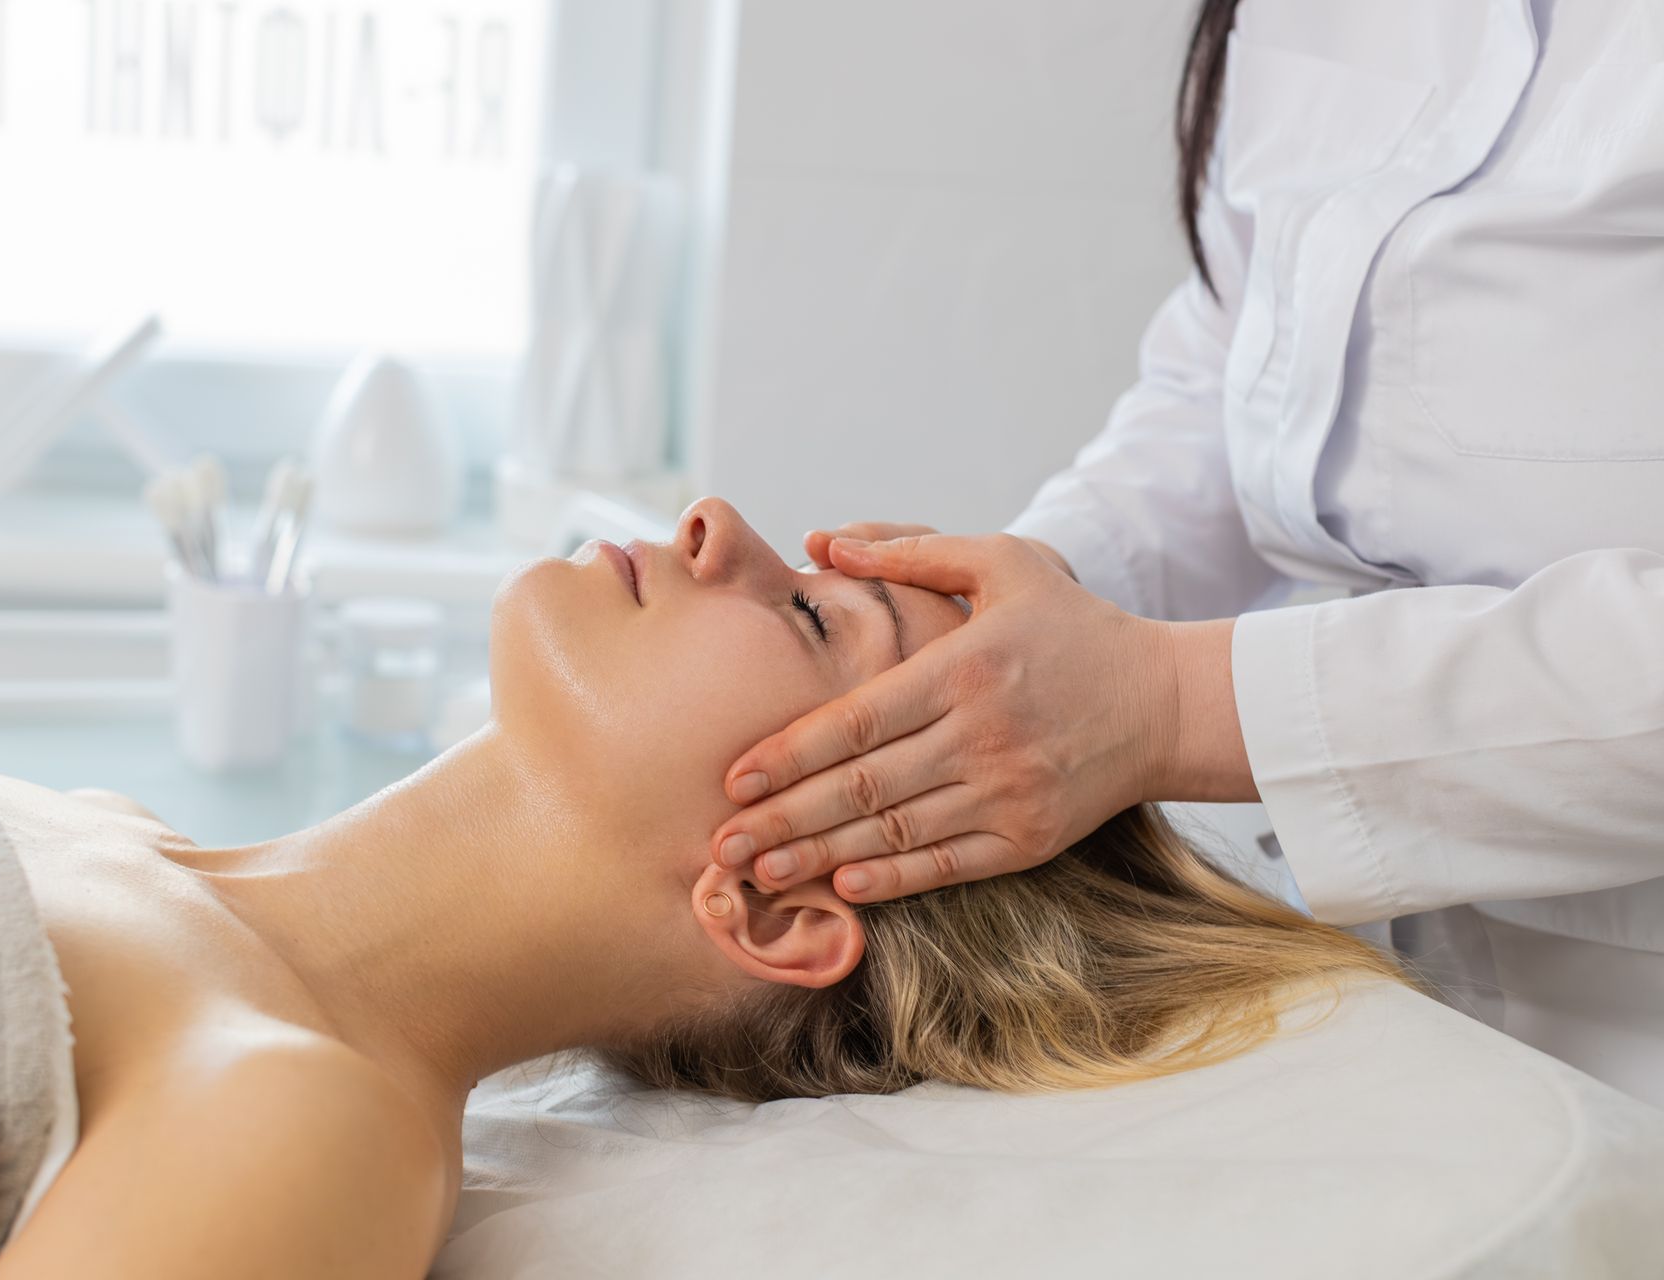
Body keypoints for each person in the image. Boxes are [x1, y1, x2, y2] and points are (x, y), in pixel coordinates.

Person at [0, 499, 1404, 1280]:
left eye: (816, 621)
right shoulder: (104, 827)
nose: (722, 523)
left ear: (775, 907)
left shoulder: (293, 1123)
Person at [707, 0, 1664, 1108]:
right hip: (1361, 977)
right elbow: (1238, 367)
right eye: (814, 612)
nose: (711, 526)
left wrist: (1164, 704)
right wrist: (1014, 610)